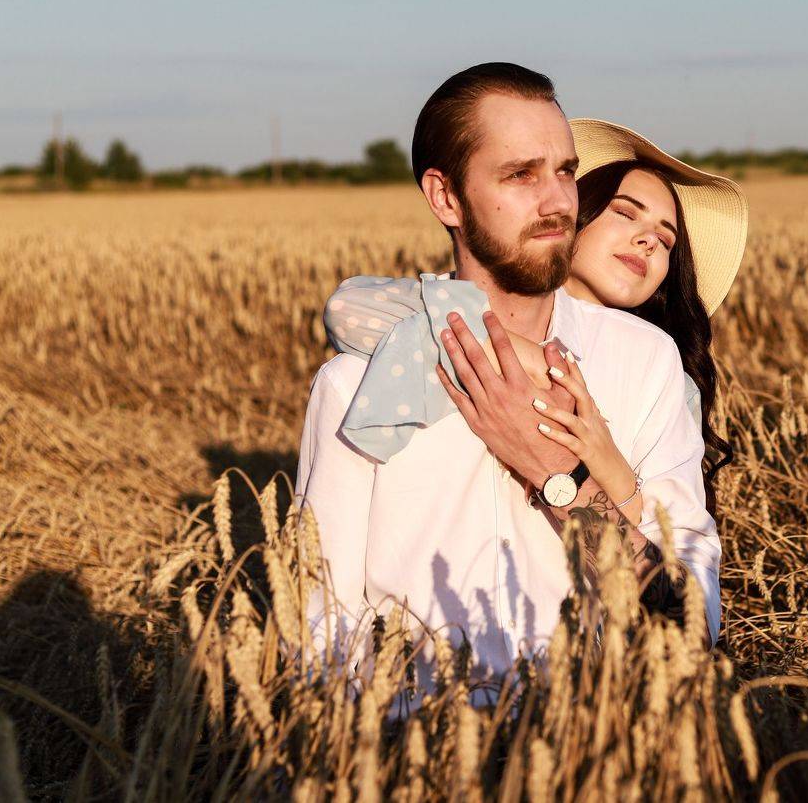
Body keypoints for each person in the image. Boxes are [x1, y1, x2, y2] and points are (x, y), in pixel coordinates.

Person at [294, 63, 746, 695]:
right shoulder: (360, 387)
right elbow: (322, 628)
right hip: (418, 737)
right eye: (520, 175)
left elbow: (692, 621)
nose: (558, 200)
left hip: (595, 736)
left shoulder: (645, 365)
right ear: (445, 197)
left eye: (565, 171)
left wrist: (559, 475)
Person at [324, 119, 746, 518]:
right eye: (625, 213)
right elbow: (348, 309)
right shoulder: (467, 307)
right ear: (570, 214)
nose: (648, 240)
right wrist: (533, 360)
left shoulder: (662, 376)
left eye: (666, 240)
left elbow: (666, 541)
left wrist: (604, 461)